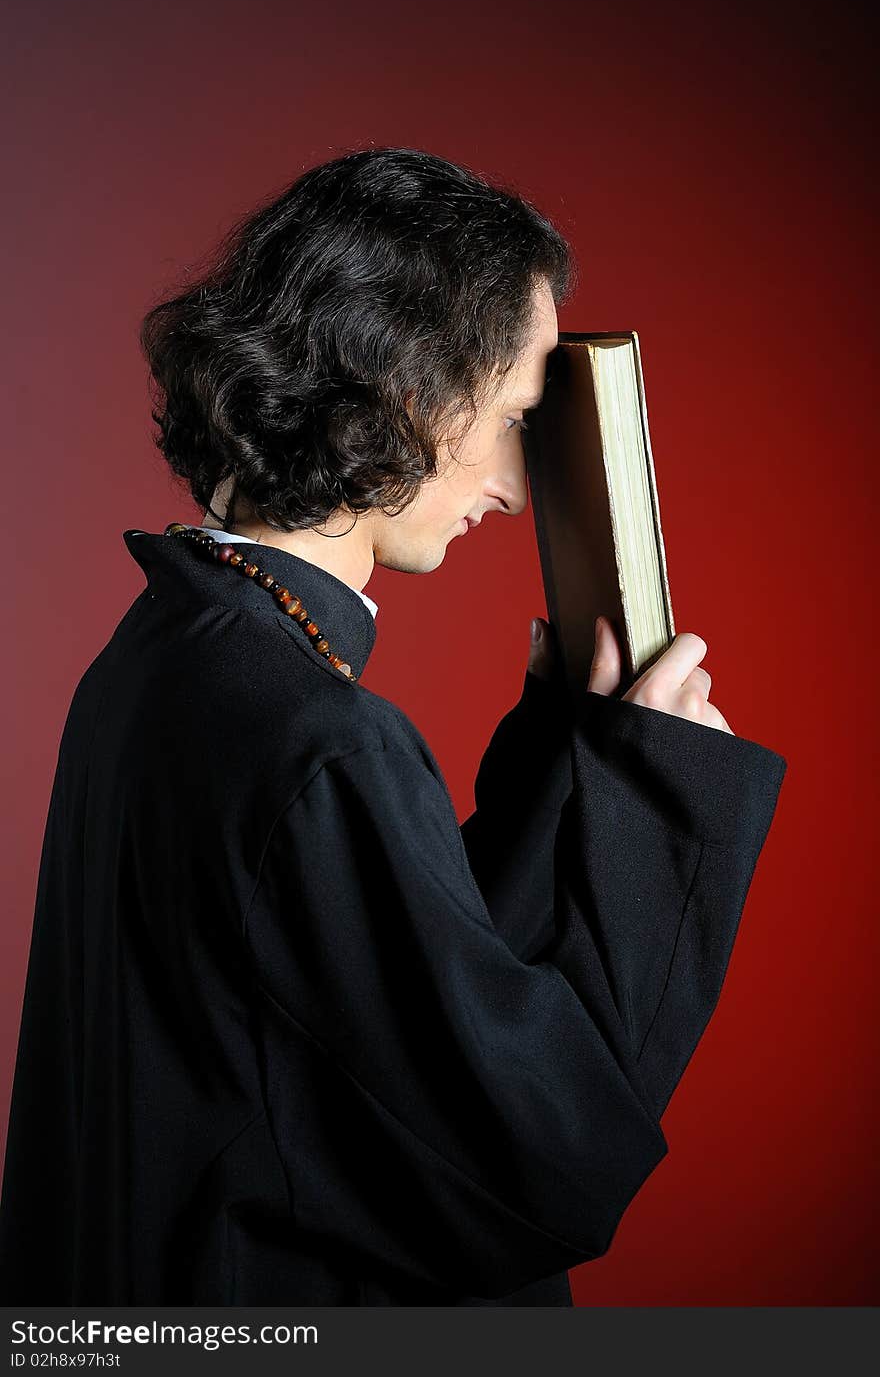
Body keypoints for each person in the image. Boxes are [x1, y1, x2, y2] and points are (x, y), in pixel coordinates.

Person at [0, 147, 787, 1306]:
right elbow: (537, 1165)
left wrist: (557, 766)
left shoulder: (163, 658)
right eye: (519, 416)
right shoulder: (320, 736)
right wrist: (653, 803)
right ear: (417, 390)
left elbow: (361, 1028)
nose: (518, 487)